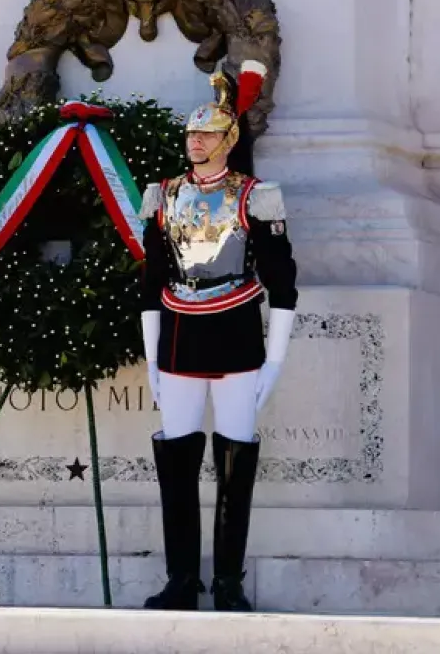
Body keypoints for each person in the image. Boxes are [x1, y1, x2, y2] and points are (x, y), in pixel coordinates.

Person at [136, 60, 299, 612]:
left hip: (234, 330)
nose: (194, 141)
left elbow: (282, 283)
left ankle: (228, 581)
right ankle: (182, 579)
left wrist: (274, 361)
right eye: (190, 133)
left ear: (230, 139)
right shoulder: (162, 196)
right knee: (177, 461)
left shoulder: (256, 195)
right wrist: (151, 356)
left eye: (205, 134)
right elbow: (150, 281)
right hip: (179, 328)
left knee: (236, 458)